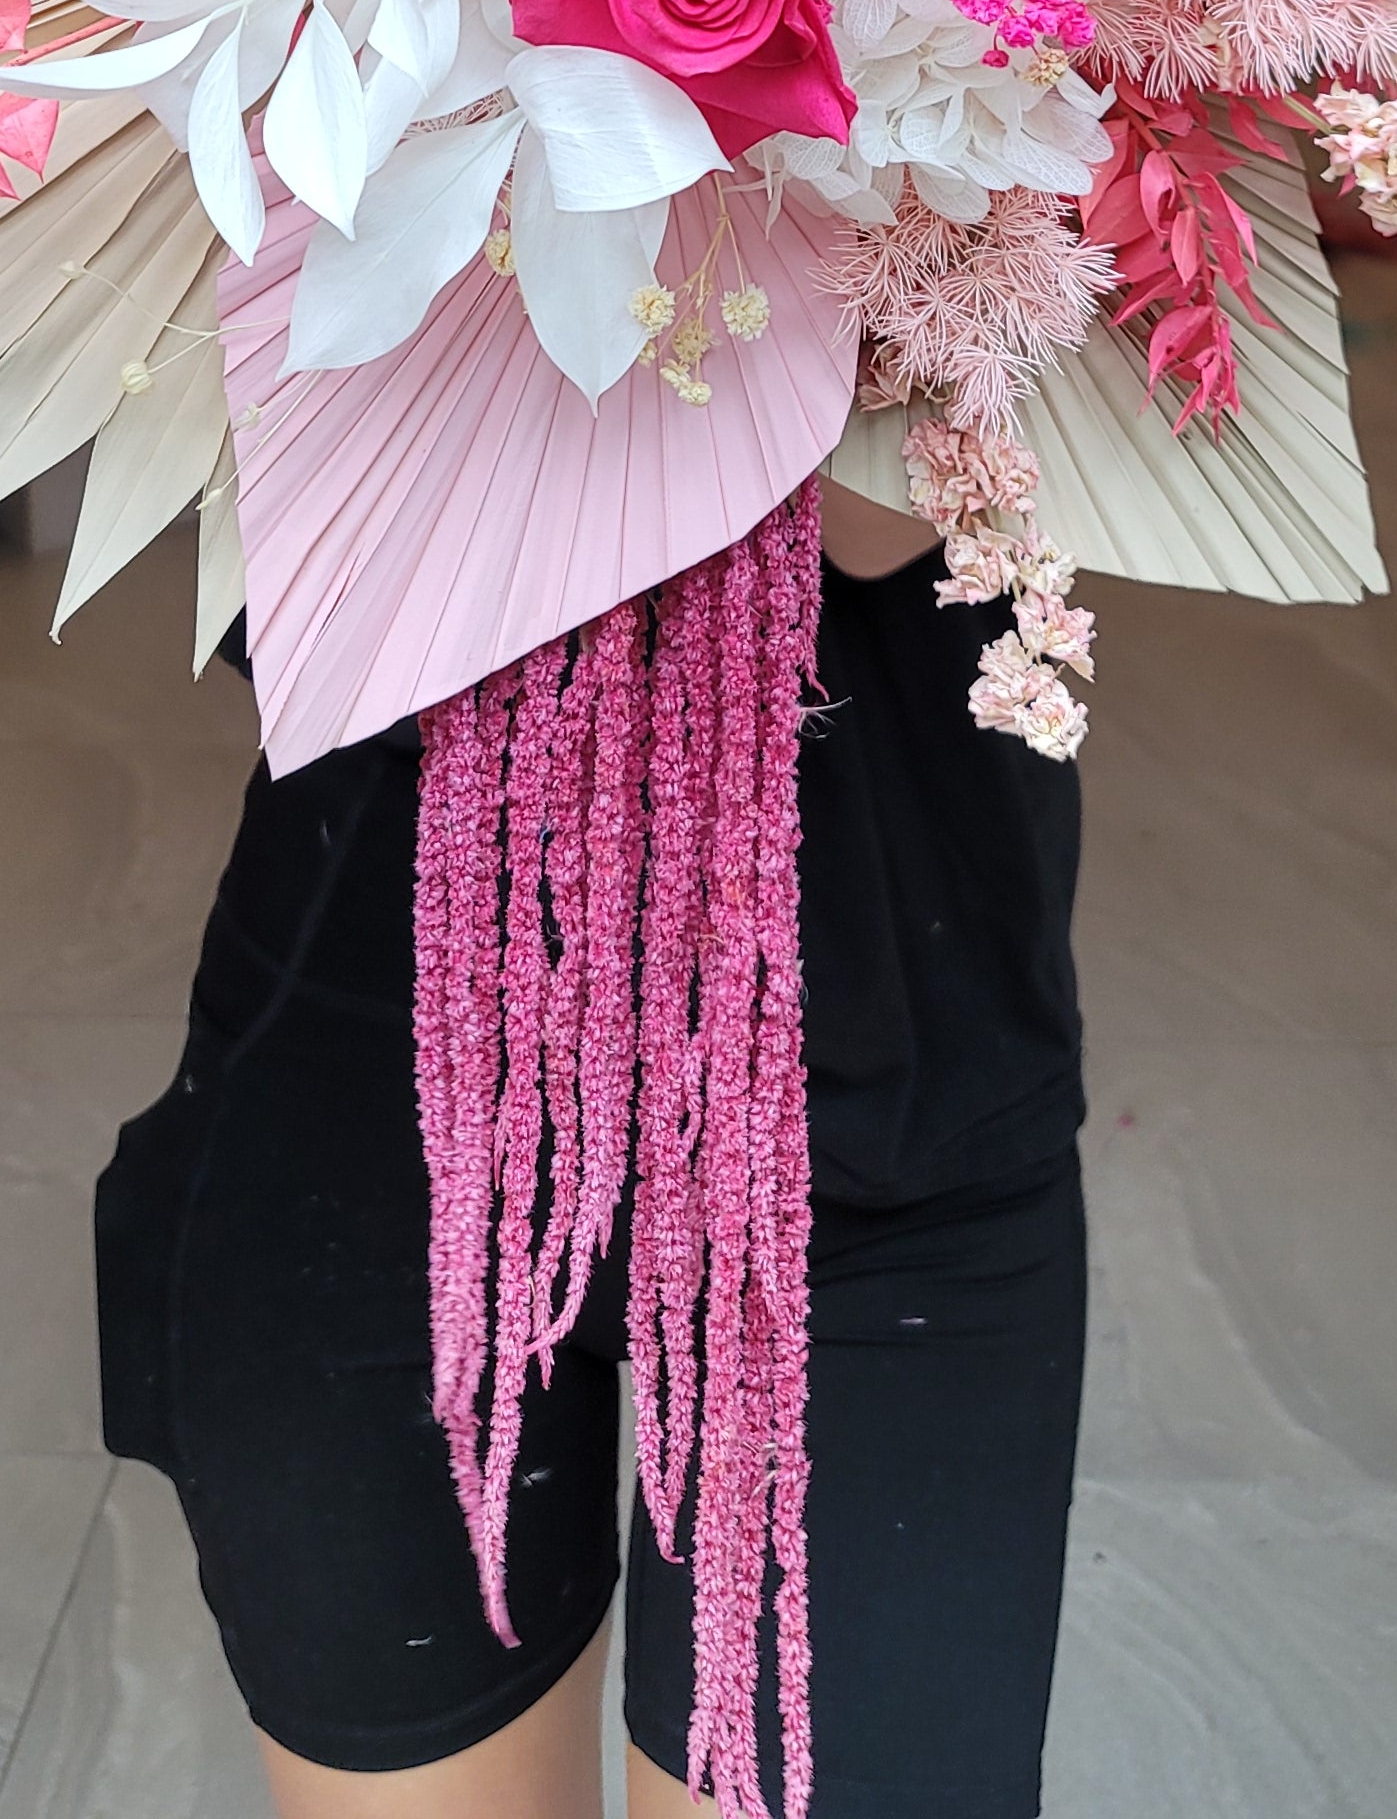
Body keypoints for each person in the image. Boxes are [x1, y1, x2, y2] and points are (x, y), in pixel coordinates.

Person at [96, 480, 1087, 1817]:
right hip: (392, 1068)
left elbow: (923, 499)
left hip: (887, 1105)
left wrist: (840, 385)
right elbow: (278, 516)